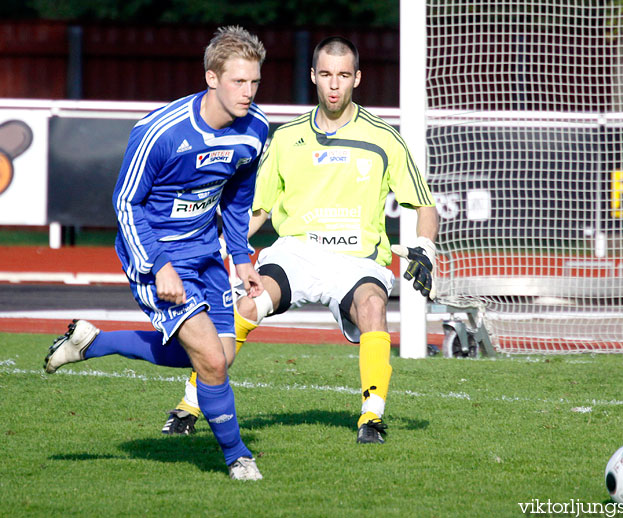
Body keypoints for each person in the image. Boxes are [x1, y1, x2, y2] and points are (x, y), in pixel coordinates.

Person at [164, 36, 439, 445]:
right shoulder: (286, 138)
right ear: (313, 76)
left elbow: (425, 207)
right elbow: (256, 211)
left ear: (357, 79)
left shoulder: (385, 139)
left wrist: (425, 248)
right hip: (296, 254)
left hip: (357, 261)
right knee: (248, 305)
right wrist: (216, 247)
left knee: (373, 306)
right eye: (326, 74)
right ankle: (190, 404)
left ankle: (371, 417)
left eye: (343, 75)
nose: (334, 85)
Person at [43, 26, 268, 481]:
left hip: (206, 253)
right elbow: (126, 203)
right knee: (208, 357)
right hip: (156, 253)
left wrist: (241, 256)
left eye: (255, 82)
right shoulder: (161, 131)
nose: (248, 92)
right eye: (238, 82)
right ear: (211, 78)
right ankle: (237, 457)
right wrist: (159, 265)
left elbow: (238, 198)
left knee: (214, 359)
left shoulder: (256, 131)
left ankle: (93, 342)